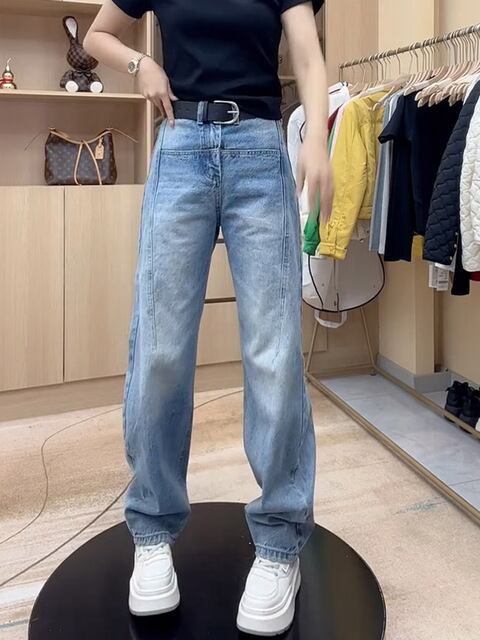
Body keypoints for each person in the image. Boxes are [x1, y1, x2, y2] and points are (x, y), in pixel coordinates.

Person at [84, 0, 332, 634]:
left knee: (273, 352)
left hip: (259, 152)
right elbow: (98, 36)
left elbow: (307, 56)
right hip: (181, 148)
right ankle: (152, 532)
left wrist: (318, 141)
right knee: (160, 350)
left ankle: (279, 541)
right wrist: (141, 64)